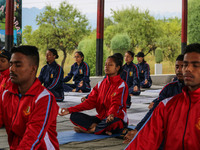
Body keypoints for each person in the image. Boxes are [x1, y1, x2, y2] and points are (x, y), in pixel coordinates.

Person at [125, 43, 200, 149]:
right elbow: (144, 142)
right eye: (185, 65)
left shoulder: (142, 66)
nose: (187, 69)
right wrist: (137, 129)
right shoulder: (167, 105)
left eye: (195, 65)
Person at [0, 46, 59, 149]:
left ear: (33, 69)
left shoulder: (44, 98)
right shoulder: (7, 95)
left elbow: (32, 139)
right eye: (11, 64)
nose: (12, 69)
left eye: (18, 65)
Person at [59, 55, 129, 135]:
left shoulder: (121, 85)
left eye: (110, 65)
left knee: (113, 123)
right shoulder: (100, 84)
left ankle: (90, 130)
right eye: (105, 64)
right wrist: (70, 110)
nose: (106, 67)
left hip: (115, 117)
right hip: (101, 118)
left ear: (117, 68)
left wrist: (111, 114)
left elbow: (116, 103)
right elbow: (89, 103)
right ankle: (97, 128)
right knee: (74, 116)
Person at [123, 54, 185, 144]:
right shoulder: (169, 88)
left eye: (183, 66)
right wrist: (137, 129)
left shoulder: (142, 66)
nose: (179, 70)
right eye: (177, 67)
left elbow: (142, 77)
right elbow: (154, 111)